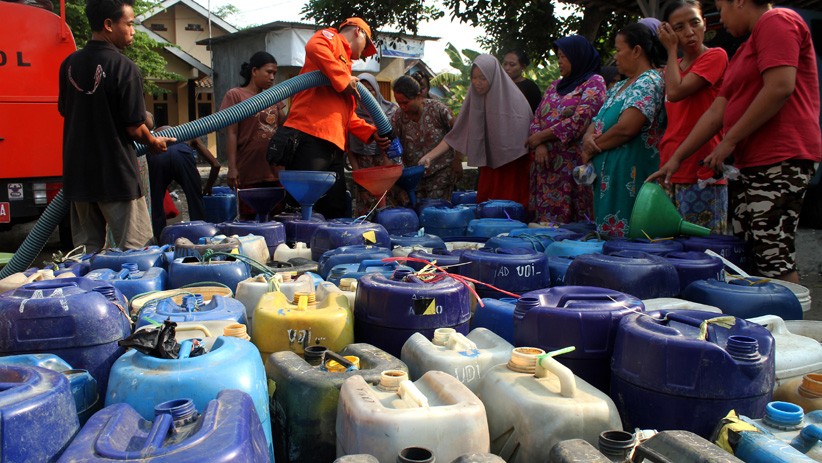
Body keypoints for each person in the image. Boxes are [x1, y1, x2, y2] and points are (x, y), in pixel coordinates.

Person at [649, 0, 821, 283]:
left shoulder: (777, 20)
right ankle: (762, 323)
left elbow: (780, 87)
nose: (720, 18)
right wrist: (677, 158)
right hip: (753, 161)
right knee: (751, 255)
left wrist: (729, 140)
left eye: (721, 7)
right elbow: (717, 111)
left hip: (780, 156)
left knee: (773, 256)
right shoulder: (744, 49)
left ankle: (789, 326)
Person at [58, 0, 174, 252]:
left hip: (78, 177)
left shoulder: (68, 65)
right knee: (136, 252)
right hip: (116, 175)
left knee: (85, 253)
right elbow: (134, 127)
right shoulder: (124, 67)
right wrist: (153, 141)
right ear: (109, 25)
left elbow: (66, 110)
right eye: (130, 24)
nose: (133, 30)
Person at [278, 17, 389, 219]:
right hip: (310, 137)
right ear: (358, 32)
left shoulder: (344, 67)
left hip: (333, 146)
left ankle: (331, 249)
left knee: (335, 207)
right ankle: (297, 250)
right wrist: (342, 78)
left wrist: (372, 133)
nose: (364, 54)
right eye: (366, 46)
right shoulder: (330, 38)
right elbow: (314, 46)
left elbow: (344, 115)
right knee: (305, 208)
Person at [581, 22, 666, 238]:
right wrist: (588, 135)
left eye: (619, 50)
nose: (615, 56)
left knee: (629, 243)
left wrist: (593, 147)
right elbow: (598, 119)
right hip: (608, 180)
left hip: (629, 178)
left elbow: (627, 128)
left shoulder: (650, 81)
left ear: (637, 50)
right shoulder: (620, 86)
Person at [655, 0, 729, 234]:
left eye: (694, 23)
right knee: (672, 246)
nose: (689, 32)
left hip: (701, 167)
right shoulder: (672, 67)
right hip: (670, 166)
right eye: (678, 27)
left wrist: (669, 49)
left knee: (703, 249)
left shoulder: (716, 56)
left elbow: (675, 93)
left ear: (705, 24)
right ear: (668, 31)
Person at [418, 54, 532, 205]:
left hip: (512, 166)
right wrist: (429, 156)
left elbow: (526, 132)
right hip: (489, 167)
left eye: (483, 78)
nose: (478, 83)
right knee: (487, 209)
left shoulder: (515, 100)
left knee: (509, 209)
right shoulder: (475, 97)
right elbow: (457, 134)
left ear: (493, 77)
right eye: (474, 77)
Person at [527, 35, 606, 224]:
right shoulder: (555, 85)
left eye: (564, 57)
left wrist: (540, 137)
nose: (559, 62)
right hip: (547, 167)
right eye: (558, 57)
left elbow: (580, 121)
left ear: (577, 56)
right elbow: (537, 117)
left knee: (578, 218)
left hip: (576, 164)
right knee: (546, 224)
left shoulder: (594, 82)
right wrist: (539, 144)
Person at [219, 51, 286, 191]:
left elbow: (284, 126)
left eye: (274, 73)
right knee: (250, 211)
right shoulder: (236, 95)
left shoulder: (274, 96)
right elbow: (231, 133)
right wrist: (232, 168)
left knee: (278, 211)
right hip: (249, 168)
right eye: (268, 72)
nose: (272, 77)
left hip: (275, 170)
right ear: (254, 71)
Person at [391, 75, 459, 203]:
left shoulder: (438, 110)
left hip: (441, 172)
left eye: (406, 102)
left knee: (437, 212)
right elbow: (390, 145)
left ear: (418, 96)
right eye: (399, 103)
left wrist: (457, 160)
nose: (403, 107)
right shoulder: (397, 117)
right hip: (414, 178)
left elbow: (458, 133)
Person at [148, 124, 221, 240]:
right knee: (195, 202)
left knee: (156, 204)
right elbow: (216, 165)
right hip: (182, 155)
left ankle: (159, 242)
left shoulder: (151, 137)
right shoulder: (189, 134)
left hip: (158, 156)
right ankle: (201, 238)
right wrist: (206, 189)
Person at [348, 73, 399, 216]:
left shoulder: (391, 110)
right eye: (362, 89)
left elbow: (393, 141)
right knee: (366, 210)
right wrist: (358, 174)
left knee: (386, 210)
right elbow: (349, 147)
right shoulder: (352, 113)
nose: (367, 93)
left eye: (370, 89)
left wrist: (388, 172)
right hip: (363, 167)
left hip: (385, 165)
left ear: (377, 90)